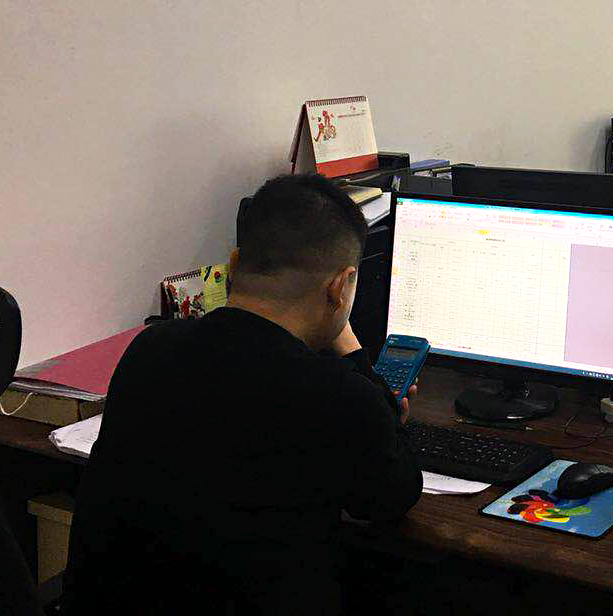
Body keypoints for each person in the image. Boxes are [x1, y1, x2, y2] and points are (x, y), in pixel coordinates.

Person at [63, 174, 423, 616]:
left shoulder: (150, 348)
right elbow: (393, 496)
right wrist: (351, 346)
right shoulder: (338, 394)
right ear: (340, 286)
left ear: (233, 264)